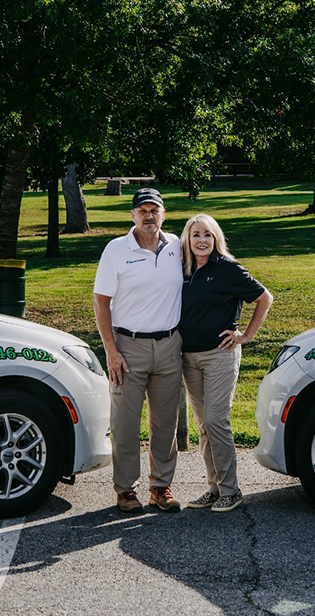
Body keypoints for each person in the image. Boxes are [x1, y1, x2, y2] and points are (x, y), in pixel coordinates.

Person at [93, 188, 184, 514]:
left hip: (170, 345)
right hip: (128, 347)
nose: (148, 216)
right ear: (132, 215)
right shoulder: (116, 249)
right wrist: (111, 351)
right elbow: (101, 303)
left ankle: (161, 488)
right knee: (126, 424)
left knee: (165, 424)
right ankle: (126, 491)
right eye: (142, 210)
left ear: (163, 214)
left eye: (154, 210)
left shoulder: (177, 245)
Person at [179, 214, 273, 512]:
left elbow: (264, 298)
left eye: (208, 234)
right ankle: (214, 487)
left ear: (216, 238)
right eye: (196, 235)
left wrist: (245, 334)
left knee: (216, 420)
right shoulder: (183, 269)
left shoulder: (227, 269)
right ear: (188, 238)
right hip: (188, 357)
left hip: (219, 355)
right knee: (204, 425)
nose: (202, 240)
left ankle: (231, 490)